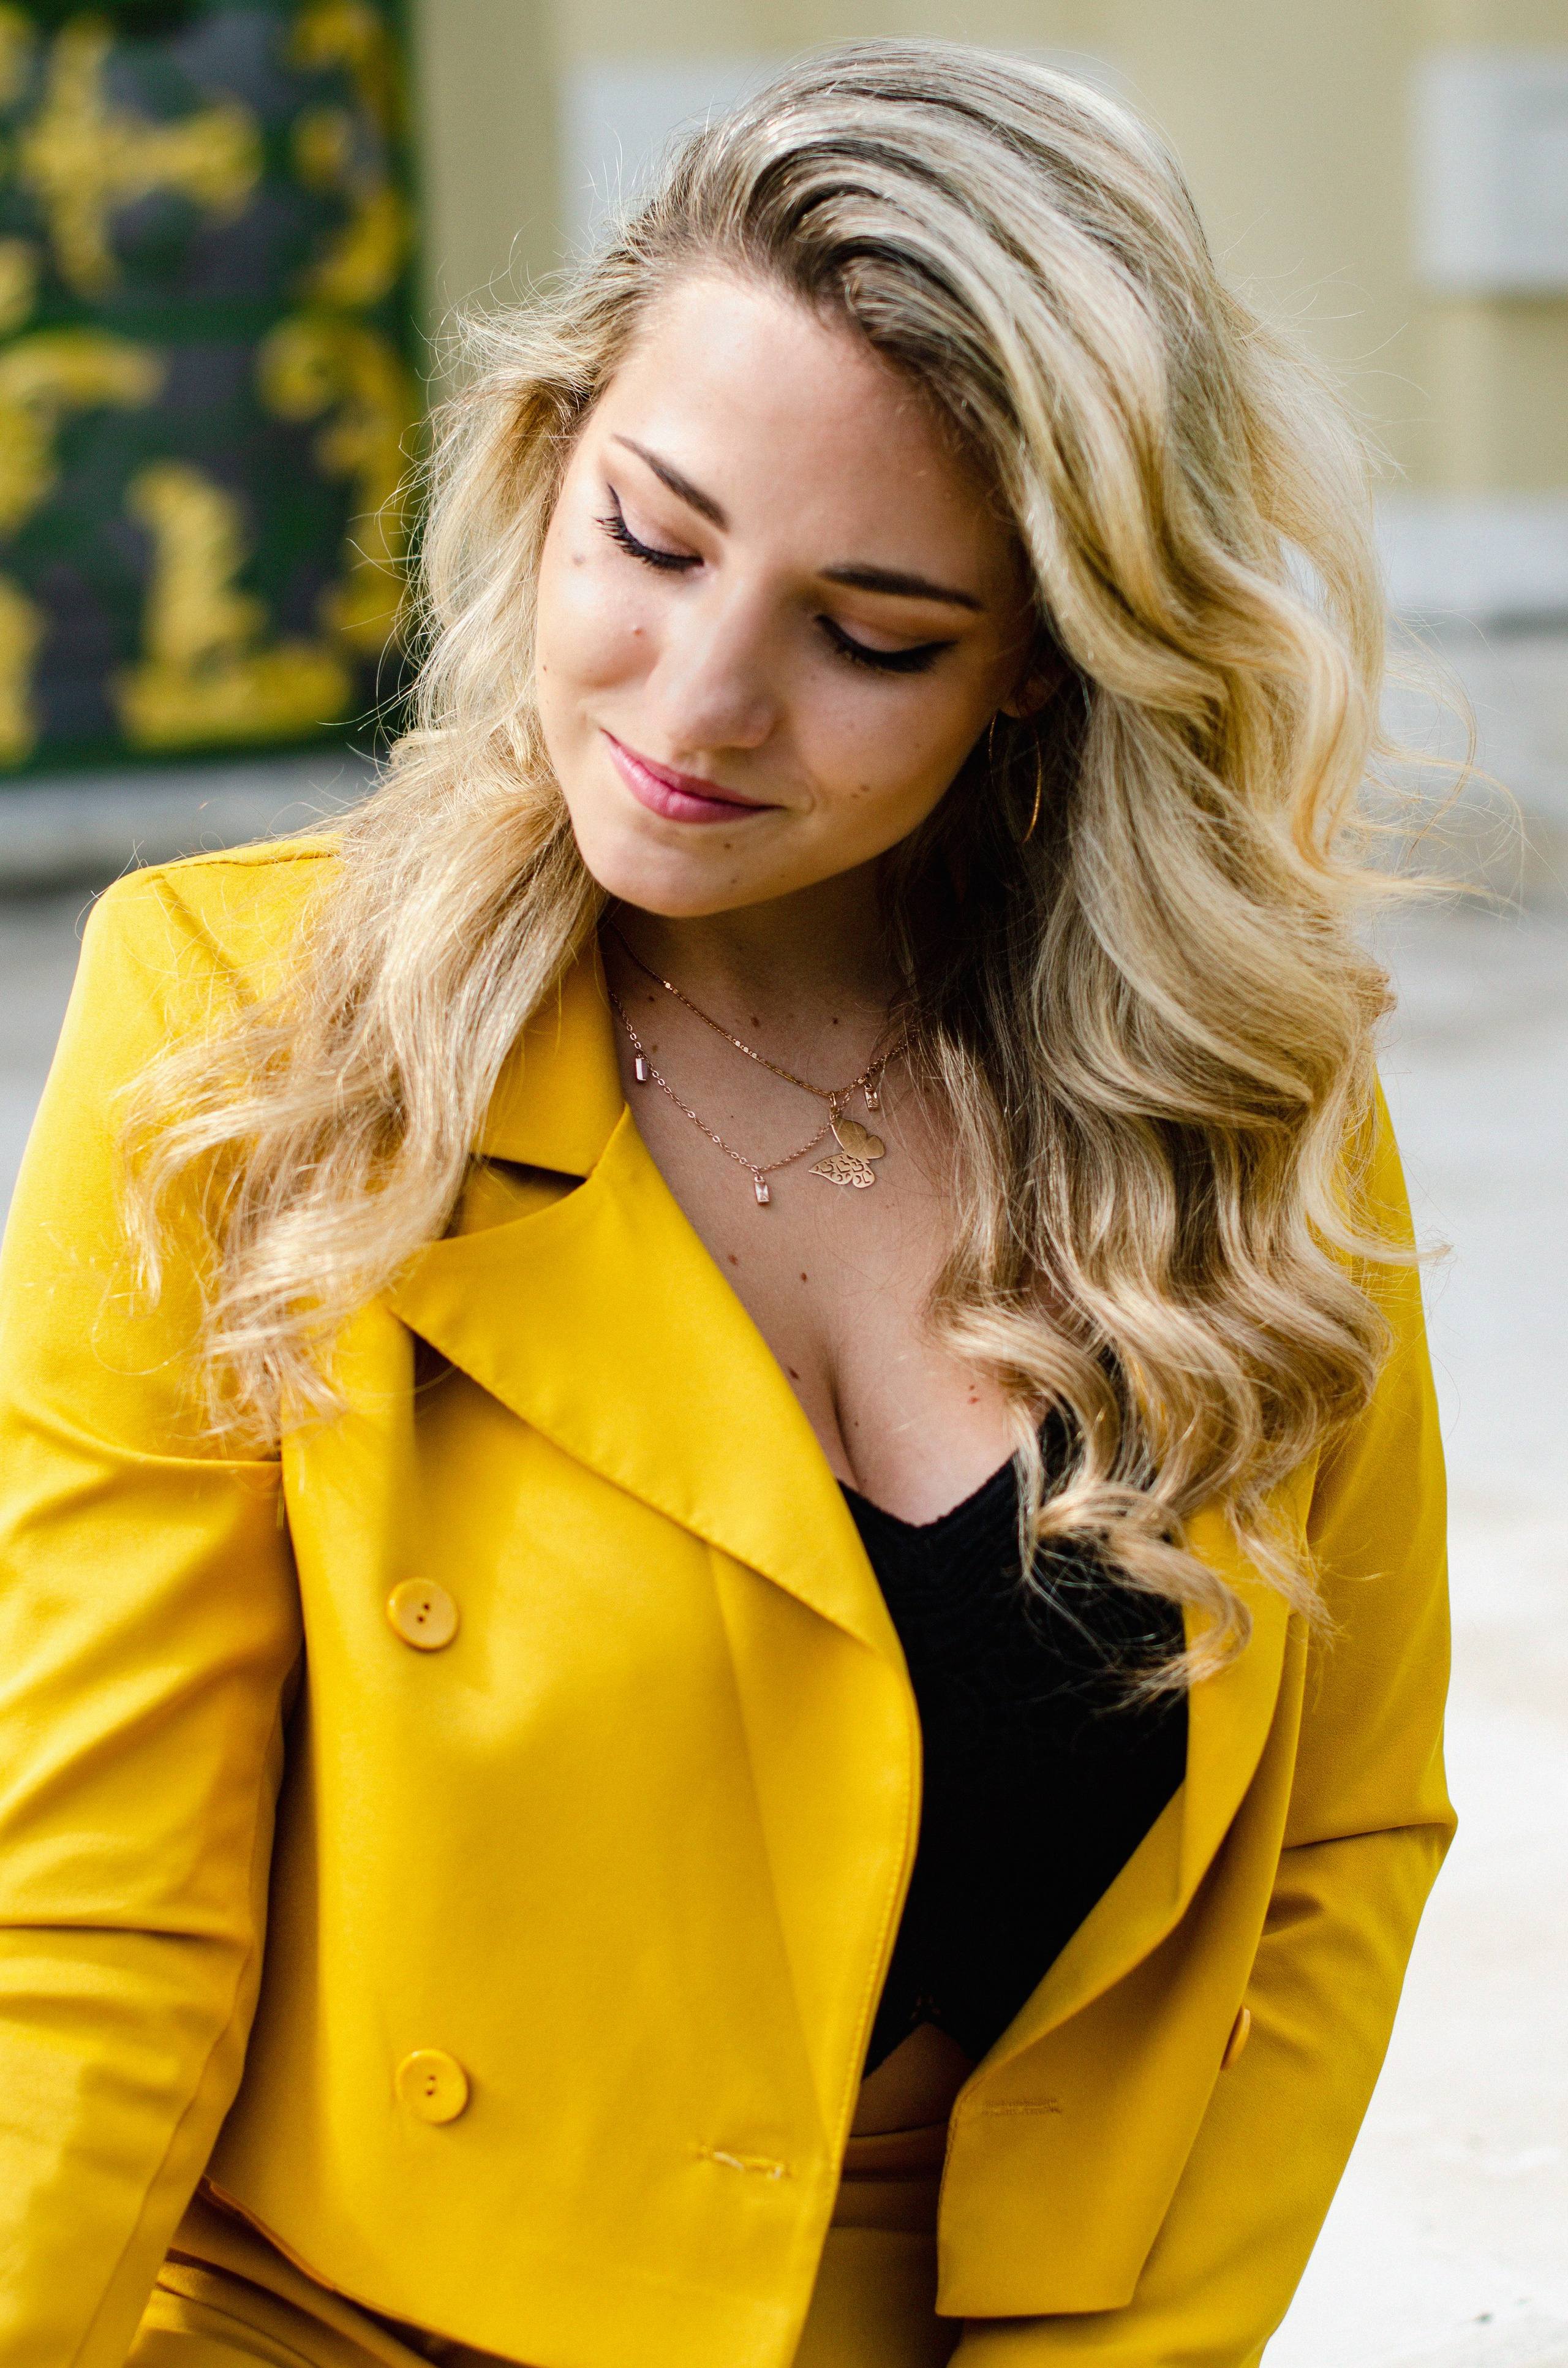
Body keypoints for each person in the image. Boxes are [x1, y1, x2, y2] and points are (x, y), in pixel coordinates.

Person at [0, 42, 1452, 2368]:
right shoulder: (237, 1031)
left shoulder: (1241, 1114)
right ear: (545, 458)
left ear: (1046, 678)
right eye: (651, 539)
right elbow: (84, 1927)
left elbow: (1325, 1867)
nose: (696, 697)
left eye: (872, 634)